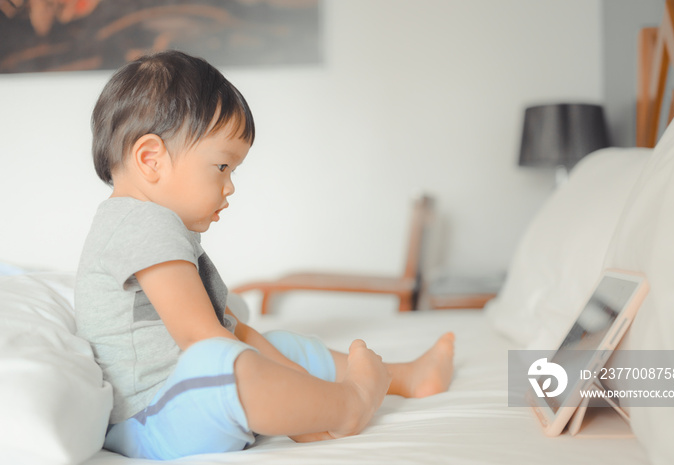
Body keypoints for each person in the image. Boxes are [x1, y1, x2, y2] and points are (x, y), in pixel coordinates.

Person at [75, 50, 455, 460]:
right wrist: (312, 392)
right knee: (226, 361)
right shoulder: (141, 224)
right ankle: (352, 403)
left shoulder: (155, 226)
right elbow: (201, 336)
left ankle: (405, 378)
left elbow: (233, 328)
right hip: (152, 421)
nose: (231, 185)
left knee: (278, 346)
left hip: (184, 408)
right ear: (151, 159)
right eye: (222, 166)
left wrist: (298, 386)